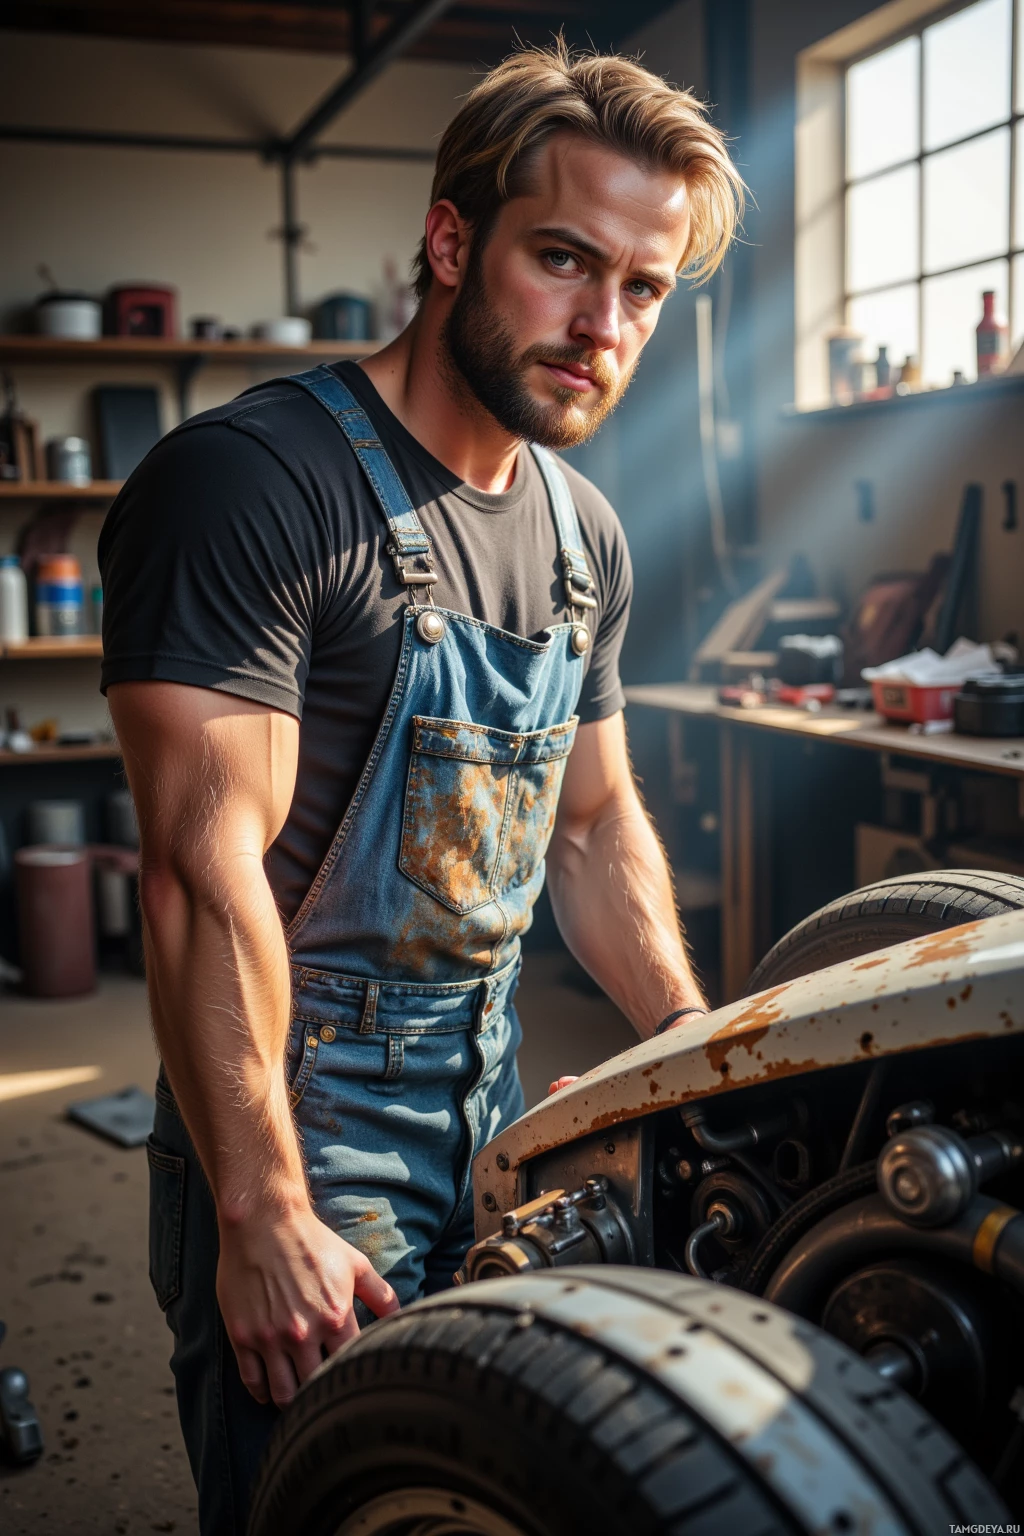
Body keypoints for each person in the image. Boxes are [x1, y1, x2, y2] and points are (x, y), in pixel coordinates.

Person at [99, 39, 743, 1536]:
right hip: (293, 1124)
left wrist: (691, 1055)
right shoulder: (254, 485)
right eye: (566, 261)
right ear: (452, 242)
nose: (604, 326)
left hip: (488, 1094)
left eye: (643, 289)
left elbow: (588, 828)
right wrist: (262, 1210)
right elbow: (207, 877)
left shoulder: (585, 537)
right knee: (326, 1501)